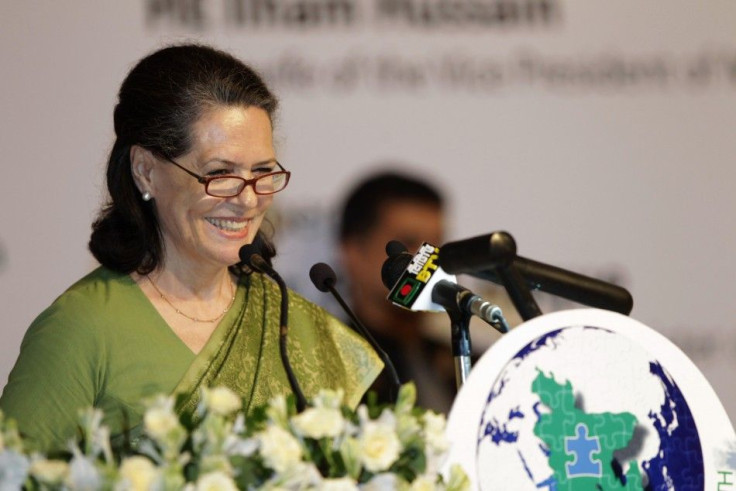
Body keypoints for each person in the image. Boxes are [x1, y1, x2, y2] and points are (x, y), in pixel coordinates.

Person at [0, 44, 382, 451]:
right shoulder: (81, 328)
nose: (248, 200)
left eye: (262, 172)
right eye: (219, 173)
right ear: (146, 171)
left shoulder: (293, 325)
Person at [338, 171, 456, 413]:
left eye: (437, 246)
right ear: (353, 253)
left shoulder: (464, 361)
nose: (427, 263)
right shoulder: (327, 365)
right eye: (408, 244)